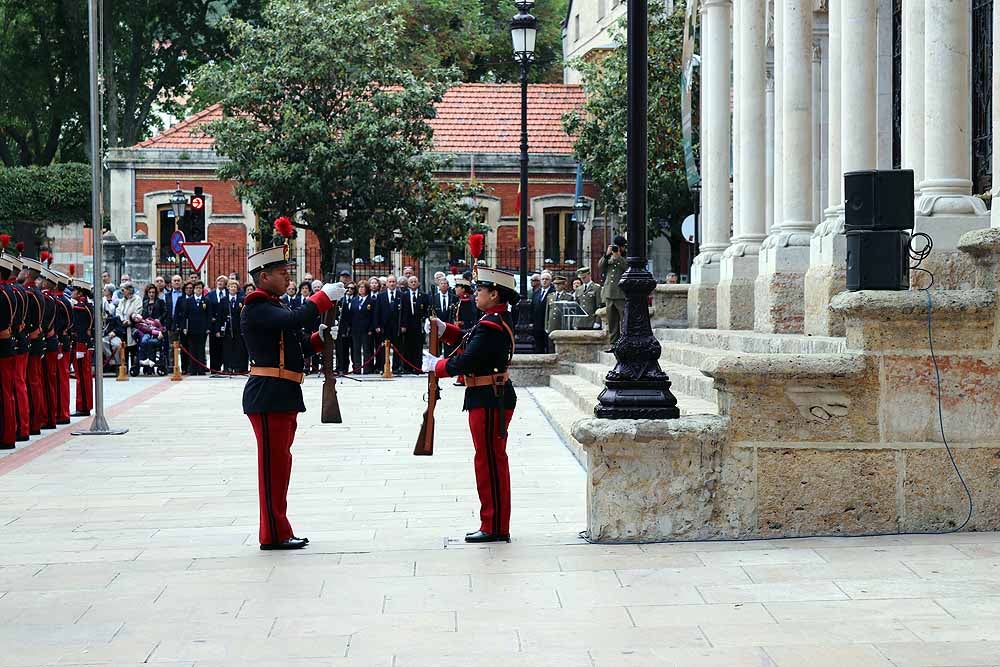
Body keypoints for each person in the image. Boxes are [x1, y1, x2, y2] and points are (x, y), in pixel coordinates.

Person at [241, 242, 345, 550]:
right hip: (268, 395)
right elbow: (293, 321)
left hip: (283, 394)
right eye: (282, 273)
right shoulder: (257, 306)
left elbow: (297, 342)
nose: (288, 278)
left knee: (281, 466)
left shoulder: (274, 306)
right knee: (272, 470)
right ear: (263, 277)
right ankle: (272, 534)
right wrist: (322, 298)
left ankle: (280, 529)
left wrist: (319, 338)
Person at [421, 267, 518, 543]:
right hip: (488, 396)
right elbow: (469, 341)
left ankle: (495, 526)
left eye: (481, 290)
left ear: (494, 293)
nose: (476, 294)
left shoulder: (492, 324)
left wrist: (438, 366)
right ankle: (494, 522)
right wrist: (444, 330)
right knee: (487, 460)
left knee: (489, 462)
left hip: (490, 398)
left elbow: (468, 359)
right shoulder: (492, 320)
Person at [69, 278, 95, 417]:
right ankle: (85, 405)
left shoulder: (79, 307)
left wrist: (80, 347)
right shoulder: (87, 305)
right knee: (84, 376)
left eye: (74, 290)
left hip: (81, 344)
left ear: (79, 293)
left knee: (82, 377)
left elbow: (79, 328)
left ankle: (83, 406)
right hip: (85, 344)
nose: (72, 292)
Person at [599, 235, 628, 350]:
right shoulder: (609, 257)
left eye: (619, 247)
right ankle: (614, 344)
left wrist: (618, 257)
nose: (617, 249)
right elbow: (600, 267)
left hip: (621, 293)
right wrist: (606, 255)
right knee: (612, 321)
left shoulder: (625, 257)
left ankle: (625, 342)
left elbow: (627, 267)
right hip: (609, 293)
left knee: (624, 320)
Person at [177, 280, 210, 375]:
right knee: (192, 349)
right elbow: (185, 315)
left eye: (200, 288)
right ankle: (192, 369)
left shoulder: (206, 301)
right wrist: (184, 327)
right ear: (194, 290)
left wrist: (208, 327)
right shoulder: (189, 301)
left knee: (201, 349)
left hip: (202, 329)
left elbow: (208, 315)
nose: (198, 290)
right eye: (196, 288)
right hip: (191, 329)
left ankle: (201, 369)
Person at [374, 275, 402, 374]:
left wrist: (403, 325)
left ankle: (396, 367)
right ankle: (384, 367)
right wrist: (377, 325)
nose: (392, 283)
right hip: (384, 327)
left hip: (396, 326)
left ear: (396, 283)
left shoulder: (401, 295)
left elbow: (404, 312)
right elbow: (377, 312)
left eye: (393, 281)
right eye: (390, 282)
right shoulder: (381, 296)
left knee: (397, 348)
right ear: (386, 284)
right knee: (383, 348)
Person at [399, 275, 427, 374]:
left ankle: (417, 367)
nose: (414, 283)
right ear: (408, 284)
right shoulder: (404, 295)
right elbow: (402, 312)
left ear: (418, 283)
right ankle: (407, 367)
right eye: (411, 282)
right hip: (407, 326)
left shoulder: (423, 295)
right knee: (407, 347)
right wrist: (403, 325)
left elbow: (426, 310)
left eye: (415, 281)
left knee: (418, 347)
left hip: (419, 325)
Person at [115, 283, 143, 375]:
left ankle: (135, 368)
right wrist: (122, 320)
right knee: (124, 348)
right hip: (123, 327)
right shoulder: (122, 301)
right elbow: (118, 311)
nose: (122, 292)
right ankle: (124, 367)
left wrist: (129, 320)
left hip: (133, 327)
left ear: (129, 290)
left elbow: (137, 311)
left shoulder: (137, 299)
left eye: (124, 290)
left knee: (133, 348)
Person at [220, 279, 247, 373]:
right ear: (228, 288)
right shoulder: (224, 300)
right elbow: (220, 315)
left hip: (238, 328)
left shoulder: (241, 299)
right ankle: (228, 367)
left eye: (234, 287)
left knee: (238, 348)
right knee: (227, 348)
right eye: (231, 286)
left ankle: (238, 367)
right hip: (227, 328)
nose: (233, 288)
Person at [348, 281, 375, 373]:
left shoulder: (371, 301)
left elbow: (373, 316)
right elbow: (351, 315)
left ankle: (367, 369)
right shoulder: (354, 300)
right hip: (355, 329)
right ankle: (357, 368)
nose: (361, 289)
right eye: (359, 287)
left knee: (367, 350)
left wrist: (371, 329)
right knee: (356, 349)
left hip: (366, 329)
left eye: (363, 287)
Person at [207, 275, 230, 373]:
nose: (220, 283)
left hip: (225, 324)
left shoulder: (228, 294)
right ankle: (214, 368)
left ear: (225, 284)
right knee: (214, 347)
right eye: (218, 281)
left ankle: (226, 367)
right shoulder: (210, 295)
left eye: (222, 281)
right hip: (213, 324)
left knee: (225, 347)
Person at [545, 276, 576, 340]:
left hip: (562, 325)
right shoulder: (550, 296)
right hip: (552, 325)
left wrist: (569, 326)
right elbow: (547, 312)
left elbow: (571, 314)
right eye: (555, 284)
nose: (557, 286)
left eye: (559, 284)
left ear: (564, 285)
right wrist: (546, 325)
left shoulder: (569, 297)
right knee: (551, 346)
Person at [530, 272, 553, 352]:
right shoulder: (536, 292)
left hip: (548, 324)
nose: (544, 281)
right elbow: (532, 308)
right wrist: (531, 321)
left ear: (550, 281)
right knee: (539, 346)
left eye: (547, 279)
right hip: (537, 324)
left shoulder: (553, 292)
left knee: (549, 346)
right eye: (542, 279)